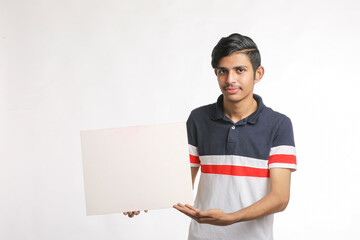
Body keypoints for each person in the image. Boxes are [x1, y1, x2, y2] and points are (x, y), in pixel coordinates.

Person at [173, 33, 297, 240]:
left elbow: (280, 198)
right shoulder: (198, 119)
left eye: (240, 70)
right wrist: (141, 200)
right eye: (223, 71)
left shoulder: (279, 125)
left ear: (258, 74)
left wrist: (231, 218)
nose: (230, 80)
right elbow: (179, 184)